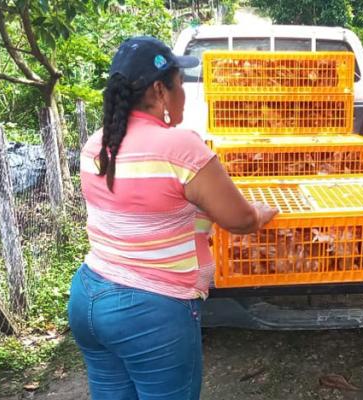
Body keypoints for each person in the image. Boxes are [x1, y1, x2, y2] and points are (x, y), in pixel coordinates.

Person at [67, 36, 278, 400]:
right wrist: (261, 212)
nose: (185, 93)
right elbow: (240, 219)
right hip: (150, 308)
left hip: (88, 296)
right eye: (181, 84)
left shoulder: (97, 144)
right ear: (160, 91)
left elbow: (144, 207)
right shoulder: (179, 147)